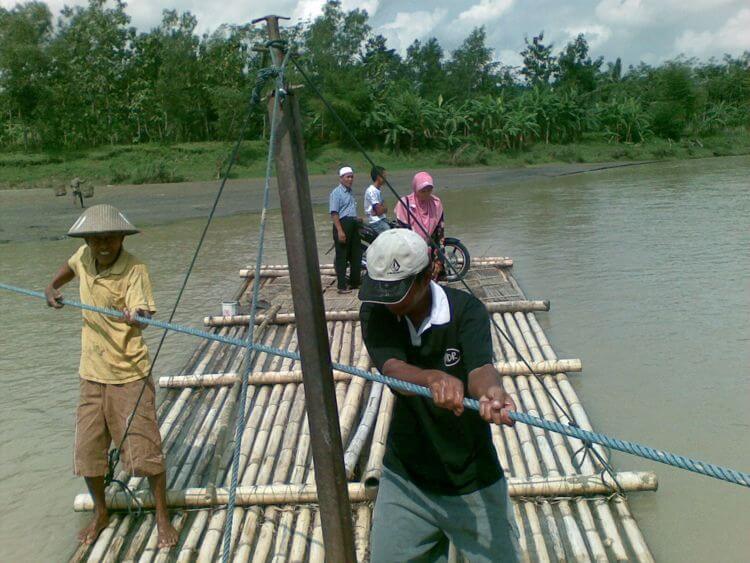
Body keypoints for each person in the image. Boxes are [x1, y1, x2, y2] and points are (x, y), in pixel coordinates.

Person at [358, 228, 520, 563]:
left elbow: (480, 369)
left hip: (472, 476)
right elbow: (392, 368)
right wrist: (432, 378)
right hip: (407, 479)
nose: (388, 301)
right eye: (381, 291)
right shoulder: (376, 310)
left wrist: (492, 393)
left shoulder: (467, 311)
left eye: (396, 291)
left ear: (427, 274)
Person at [44, 204, 178, 548]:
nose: (103, 245)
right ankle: (101, 512)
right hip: (91, 373)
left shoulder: (135, 269)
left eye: (110, 239)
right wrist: (51, 288)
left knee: (146, 450)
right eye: (96, 239)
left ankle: (162, 517)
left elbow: (143, 312)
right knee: (88, 451)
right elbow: (69, 268)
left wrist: (135, 316)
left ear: (121, 238)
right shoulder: (83, 256)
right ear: (87, 240)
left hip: (128, 372)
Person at [329, 165, 362, 294]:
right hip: (342, 225)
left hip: (352, 224)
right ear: (341, 178)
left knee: (356, 254)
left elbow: (348, 209)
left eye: (352, 177)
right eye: (348, 177)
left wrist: (356, 218)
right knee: (342, 256)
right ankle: (341, 286)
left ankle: (355, 282)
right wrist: (340, 231)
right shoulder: (336, 193)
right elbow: (334, 213)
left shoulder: (350, 192)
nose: (350, 179)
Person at [395, 171, 444, 244]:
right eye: (423, 191)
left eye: (429, 190)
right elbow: (402, 229)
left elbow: (440, 229)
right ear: (415, 189)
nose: (426, 194)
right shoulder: (405, 203)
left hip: (431, 245)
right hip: (411, 245)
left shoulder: (436, 203)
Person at [364, 165, 390, 235]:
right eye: (384, 176)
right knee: (389, 233)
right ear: (379, 177)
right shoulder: (372, 191)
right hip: (375, 221)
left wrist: (382, 209)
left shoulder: (378, 191)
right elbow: (379, 211)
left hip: (382, 219)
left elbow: (386, 209)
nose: (386, 178)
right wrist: (382, 209)